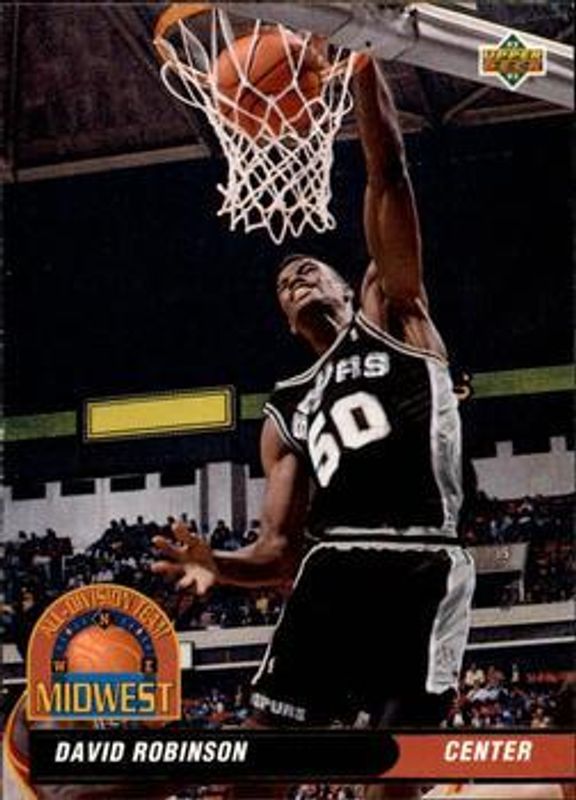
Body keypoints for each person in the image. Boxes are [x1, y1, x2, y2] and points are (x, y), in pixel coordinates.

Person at [153, 59, 476, 800]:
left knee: (396, 778)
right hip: (331, 574)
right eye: (282, 282)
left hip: (422, 563)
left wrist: (360, 58)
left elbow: (388, 173)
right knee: (260, 769)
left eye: (309, 268)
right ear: (282, 319)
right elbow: (277, 552)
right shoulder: (286, 407)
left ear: (348, 285)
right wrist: (217, 562)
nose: (294, 276)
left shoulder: (395, 313)